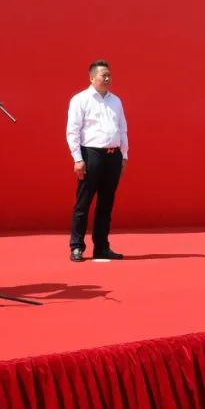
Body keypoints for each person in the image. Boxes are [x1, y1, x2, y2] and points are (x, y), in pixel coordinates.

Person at [66, 60, 128, 261]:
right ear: (92, 78)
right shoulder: (80, 100)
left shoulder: (116, 101)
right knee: (83, 203)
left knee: (106, 204)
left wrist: (124, 155)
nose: (108, 78)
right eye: (104, 75)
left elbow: (122, 129)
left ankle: (101, 247)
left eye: (109, 75)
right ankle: (77, 246)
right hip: (91, 155)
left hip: (113, 156)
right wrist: (77, 158)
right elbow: (73, 131)